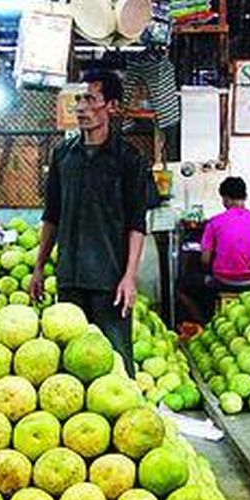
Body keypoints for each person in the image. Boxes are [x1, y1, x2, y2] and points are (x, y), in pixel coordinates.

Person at [31, 68, 152, 375]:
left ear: (111, 106)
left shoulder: (128, 159)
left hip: (110, 280)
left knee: (117, 361)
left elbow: (136, 224)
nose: (82, 107)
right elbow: (52, 216)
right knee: (71, 362)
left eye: (91, 99)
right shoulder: (63, 155)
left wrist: (129, 277)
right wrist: (39, 267)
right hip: (70, 276)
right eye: (79, 99)